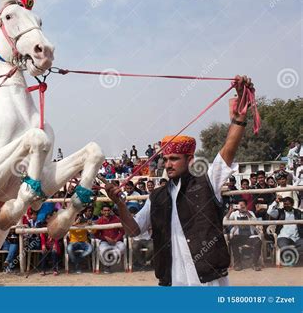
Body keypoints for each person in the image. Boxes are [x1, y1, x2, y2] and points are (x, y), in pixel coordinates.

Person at [104, 75, 253, 286]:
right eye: (165, 159)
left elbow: (228, 150)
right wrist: (119, 203)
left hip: (208, 282)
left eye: (174, 159)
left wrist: (239, 119)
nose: (168, 164)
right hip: (172, 281)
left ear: (190, 160)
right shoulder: (157, 196)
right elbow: (133, 231)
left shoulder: (208, 181)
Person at [225, 200, 262, 271]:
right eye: (239, 205)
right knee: (233, 241)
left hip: (250, 236)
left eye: (243, 205)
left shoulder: (250, 213)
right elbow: (225, 221)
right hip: (239, 236)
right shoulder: (234, 213)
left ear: (246, 206)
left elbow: (255, 222)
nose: (241, 207)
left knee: (258, 242)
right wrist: (230, 211)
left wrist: (247, 212)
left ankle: (255, 263)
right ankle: (237, 263)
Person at [267, 196, 303, 263]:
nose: (286, 206)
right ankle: (291, 255)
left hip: (296, 237)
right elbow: (269, 212)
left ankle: (291, 254)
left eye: (288, 204)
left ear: (292, 204)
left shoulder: (298, 212)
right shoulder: (280, 212)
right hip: (283, 237)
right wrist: (276, 201)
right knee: (284, 246)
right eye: (285, 204)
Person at [95, 204, 125, 273]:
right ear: (102, 211)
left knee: (122, 247)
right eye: (105, 210)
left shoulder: (116, 219)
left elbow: (122, 231)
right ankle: (107, 266)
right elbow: (96, 234)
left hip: (116, 241)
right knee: (103, 250)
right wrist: (105, 238)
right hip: (105, 241)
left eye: (108, 210)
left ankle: (111, 257)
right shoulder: (99, 221)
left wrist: (116, 239)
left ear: (110, 211)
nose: (107, 212)